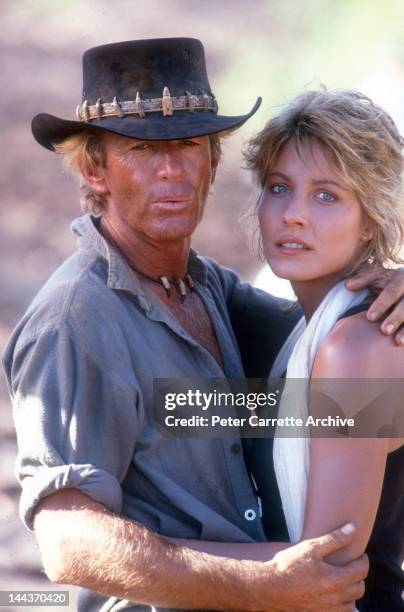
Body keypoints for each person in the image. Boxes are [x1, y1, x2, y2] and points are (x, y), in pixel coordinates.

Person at [2, 39, 404, 611]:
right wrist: (255, 582)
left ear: (214, 162)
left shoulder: (206, 287)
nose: (170, 169)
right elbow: (67, 541)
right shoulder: (75, 319)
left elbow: (337, 362)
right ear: (96, 169)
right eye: (141, 148)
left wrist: (395, 280)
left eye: (188, 143)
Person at [179, 90, 404, 610]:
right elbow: (214, 411)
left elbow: (324, 571)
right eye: (279, 188)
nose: (294, 215)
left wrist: (138, 552)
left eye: (327, 195)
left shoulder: (356, 350)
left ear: (370, 218)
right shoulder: (301, 333)